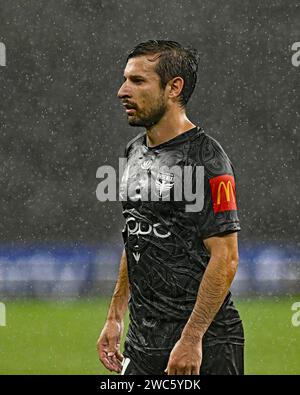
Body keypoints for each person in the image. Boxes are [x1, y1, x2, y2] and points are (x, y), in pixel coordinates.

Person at [97, 40, 244, 375]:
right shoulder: (133, 152)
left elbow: (226, 258)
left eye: (137, 81)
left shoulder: (207, 159)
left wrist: (192, 339)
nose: (122, 91)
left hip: (206, 346)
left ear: (174, 87)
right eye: (124, 79)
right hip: (141, 344)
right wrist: (115, 316)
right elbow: (136, 236)